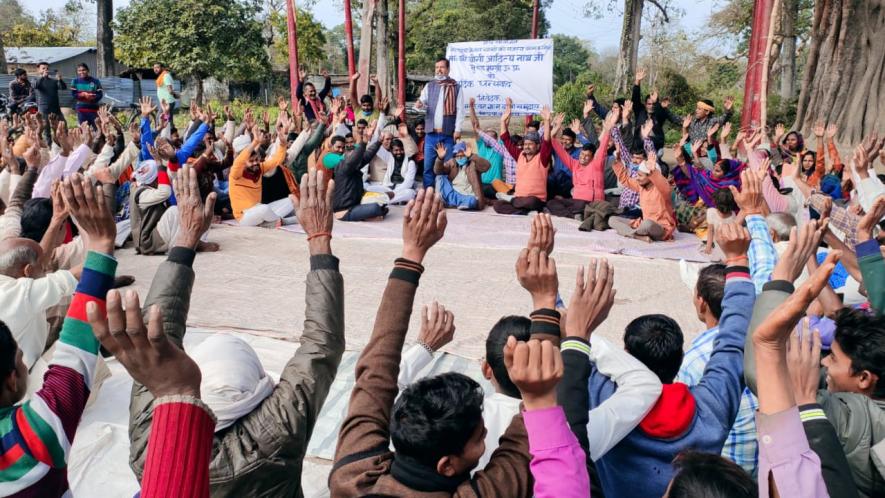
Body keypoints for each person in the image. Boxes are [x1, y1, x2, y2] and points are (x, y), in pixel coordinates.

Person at [126, 168, 344, 497]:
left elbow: (159, 334)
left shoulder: (153, 437)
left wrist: (185, 239)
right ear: (258, 388)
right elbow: (321, 347)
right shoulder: (277, 431)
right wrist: (319, 238)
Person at [587, 223, 756, 498]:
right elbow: (734, 339)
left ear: (627, 357)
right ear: (680, 359)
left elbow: (568, 358)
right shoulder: (711, 408)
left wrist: (551, 303)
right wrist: (737, 260)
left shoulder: (601, 396)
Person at [0, 173, 118, 497]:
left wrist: (58, 218)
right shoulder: (38, 431)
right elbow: (74, 354)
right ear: (11, 381)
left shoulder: (12, 276)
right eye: (18, 360)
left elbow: (37, 255)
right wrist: (102, 242)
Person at [675, 264, 760, 476]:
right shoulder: (762, 342)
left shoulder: (694, 360)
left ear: (701, 303)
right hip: (763, 467)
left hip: (722, 475)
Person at [547, 112, 617, 219]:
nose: (583, 157)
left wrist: (607, 131)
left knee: (578, 205)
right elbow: (557, 146)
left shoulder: (596, 165)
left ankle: (578, 213)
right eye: (582, 154)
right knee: (551, 203)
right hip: (576, 201)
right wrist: (555, 128)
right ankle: (574, 214)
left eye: (587, 156)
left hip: (591, 202)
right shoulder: (575, 164)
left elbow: (601, 149)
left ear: (593, 157)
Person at [493, 102, 553, 215]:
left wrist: (546, 121)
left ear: (537, 146)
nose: (527, 146)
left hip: (536, 200)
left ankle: (516, 203)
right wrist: (502, 121)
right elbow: (505, 139)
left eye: (530, 144)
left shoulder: (542, 158)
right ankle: (525, 212)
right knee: (498, 205)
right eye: (525, 144)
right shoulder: (520, 155)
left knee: (531, 202)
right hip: (519, 197)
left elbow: (547, 142)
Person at [229, 126, 294, 226]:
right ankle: (282, 222)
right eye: (251, 161)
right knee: (264, 209)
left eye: (256, 159)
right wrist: (255, 142)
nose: (255, 163)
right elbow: (239, 161)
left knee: (291, 200)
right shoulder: (236, 173)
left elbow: (277, 160)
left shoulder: (260, 168)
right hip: (245, 216)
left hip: (259, 209)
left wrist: (283, 145)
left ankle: (269, 222)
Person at [609, 146, 677, 242]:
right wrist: (618, 161)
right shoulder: (641, 186)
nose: (637, 178)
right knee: (612, 220)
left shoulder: (662, 189)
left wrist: (653, 172)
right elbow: (625, 179)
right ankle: (637, 236)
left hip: (660, 229)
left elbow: (663, 183)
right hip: (642, 225)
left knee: (647, 224)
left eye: (640, 175)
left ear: (650, 177)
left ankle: (630, 233)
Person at [416, 58, 466, 188]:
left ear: (448, 69)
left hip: (447, 135)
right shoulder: (429, 86)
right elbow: (421, 104)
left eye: (442, 67)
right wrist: (419, 105)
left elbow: (460, 110)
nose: (439, 70)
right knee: (428, 167)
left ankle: (445, 194)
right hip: (431, 135)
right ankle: (428, 194)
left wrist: (458, 129)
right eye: (437, 67)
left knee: (446, 166)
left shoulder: (456, 87)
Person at [331, 120, 387, 221]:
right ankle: (371, 215)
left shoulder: (353, 165)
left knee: (384, 199)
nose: (355, 157)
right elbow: (354, 159)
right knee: (376, 207)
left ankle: (372, 214)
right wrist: (364, 142)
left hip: (355, 204)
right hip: (344, 211)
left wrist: (379, 142)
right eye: (351, 155)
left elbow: (367, 156)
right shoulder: (343, 166)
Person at [433, 141, 489, 210]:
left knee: (473, 201)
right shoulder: (452, 162)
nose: (459, 158)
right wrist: (440, 159)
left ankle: (455, 204)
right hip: (453, 194)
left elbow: (486, 166)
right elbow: (437, 171)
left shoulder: (473, 163)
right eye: (457, 156)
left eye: (462, 156)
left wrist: (471, 156)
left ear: (466, 155)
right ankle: (449, 202)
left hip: (467, 196)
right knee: (439, 177)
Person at [34, 63, 67, 144]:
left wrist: (60, 79)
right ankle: (49, 148)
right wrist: (43, 77)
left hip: (56, 109)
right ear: (39, 70)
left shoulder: (53, 81)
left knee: (63, 127)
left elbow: (63, 87)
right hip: (44, 109)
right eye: (43, 68)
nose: (46, 70)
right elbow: (35, 86)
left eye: (47, 68)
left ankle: (64, 145)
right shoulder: (36, 80)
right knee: (47, 130)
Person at [705, 188, 739, 255]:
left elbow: (710, 231)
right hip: (727, 247)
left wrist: (708, 247)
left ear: (716, 201)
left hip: (720, 245)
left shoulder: (711, 212)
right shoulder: (733, 215)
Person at [71, 63, 103, 128]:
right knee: (84, 130)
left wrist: (92, 97)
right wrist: (83, 95)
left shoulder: (95, 81)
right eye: (79, 71)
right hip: (81, 110)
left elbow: (100, 94)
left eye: (83, 70)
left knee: (98, 130)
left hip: (93, 110)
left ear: (88, 70)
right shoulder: (75, 81)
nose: (81, 72)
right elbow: (74, 94)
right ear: (77, 72)